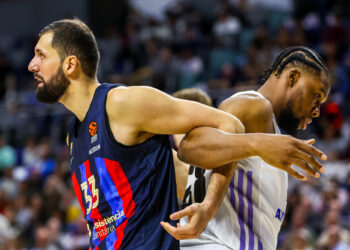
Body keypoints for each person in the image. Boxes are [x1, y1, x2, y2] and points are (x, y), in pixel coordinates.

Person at [27, 18, 327, 250]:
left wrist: (208, 206)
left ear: (70, 63)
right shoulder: (74, 135)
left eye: (41, 55)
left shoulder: (122, 103)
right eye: (317, 96)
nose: (32, 65)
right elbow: (191, 158)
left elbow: (201, 149)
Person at [162, 46, 331, 250]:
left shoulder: (270, 129)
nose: (317, 111)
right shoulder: (255, 106)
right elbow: (191, 147)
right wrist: (258, 144)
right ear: (293, 77)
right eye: (317, 96)